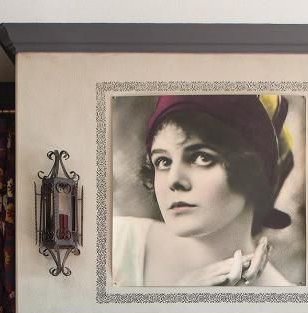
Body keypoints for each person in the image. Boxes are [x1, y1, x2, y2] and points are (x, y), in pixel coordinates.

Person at [112, 94, 295, 287]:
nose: (174, 180)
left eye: (201, 158)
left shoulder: (289, 301)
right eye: (163, 161)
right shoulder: (116, 244)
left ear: (252, 170)